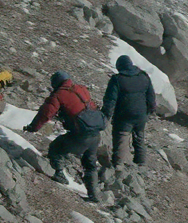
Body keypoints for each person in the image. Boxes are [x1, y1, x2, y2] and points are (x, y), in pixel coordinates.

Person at [23, 71, 101, 202]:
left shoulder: (59, 95)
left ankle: (60, 174)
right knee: (90, 164)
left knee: (56, 147)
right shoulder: (81, 88)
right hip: (95, 133)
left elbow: (45, 113)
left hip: (80, 135)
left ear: (56, 83)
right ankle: (94, 196)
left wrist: (33, 127)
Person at [102, 55, 156, 168]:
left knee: (121, 140)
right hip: (141, 115)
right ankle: (141, 163)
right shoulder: (143, 76)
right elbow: (151, 96)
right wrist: (150, 111)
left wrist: (106, 116)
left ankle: (118, 165)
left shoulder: (117, 79)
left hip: (124, 116)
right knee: (139, 138)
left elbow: (110, 100)